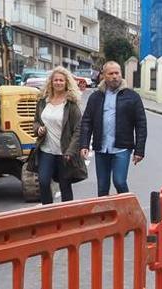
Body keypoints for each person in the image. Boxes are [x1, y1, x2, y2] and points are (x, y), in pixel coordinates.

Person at [79, 60, 147, 196]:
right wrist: (84, 144)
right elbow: (87, 121)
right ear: (104, 76)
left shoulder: (132, 97)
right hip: (101, 148)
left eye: (117, 73)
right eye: (111, 73)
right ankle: (105, 215)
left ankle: (128, 212)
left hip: (122, 148)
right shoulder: (95, 97)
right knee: (102, 187)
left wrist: (139, 150)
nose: (115, 76)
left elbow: (141, 124)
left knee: (119, 181)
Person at [26, 67, 87, 205]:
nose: (58, 83)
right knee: (43, 181)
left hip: (64, 152)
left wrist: (71, 151)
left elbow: (78, 129)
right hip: (46, 150)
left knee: (65, 185)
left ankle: (67, 216)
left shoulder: (71, 104)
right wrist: (38, 129)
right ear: (51, 82)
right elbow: (35, 121)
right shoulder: (43, 101)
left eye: (61, 80)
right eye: (56, 80)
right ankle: (48, 212)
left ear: (66, 83)